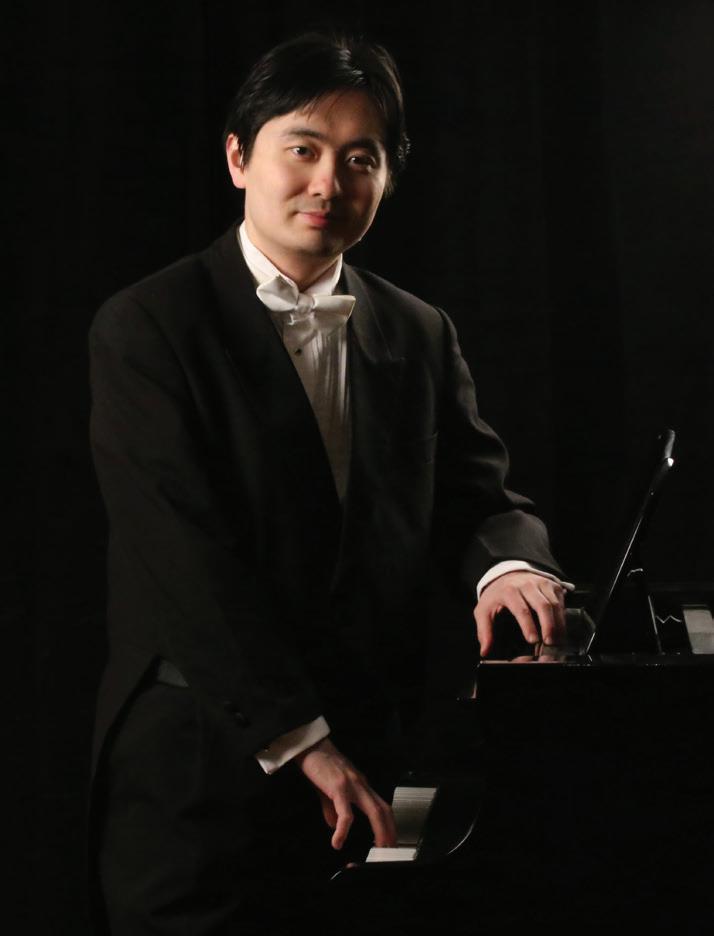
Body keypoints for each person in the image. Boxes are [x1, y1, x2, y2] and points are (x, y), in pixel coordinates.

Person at [88, 32, 568, 935]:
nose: (328, 183)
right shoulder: (148, 324)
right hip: (201, 763)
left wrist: (507, 567)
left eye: (360, 159)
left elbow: (479, 499)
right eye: (302, 148)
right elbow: (184, 557)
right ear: (239, 158)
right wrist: (303, 743)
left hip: (373, 752)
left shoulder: (419, 328)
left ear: (387, 177)